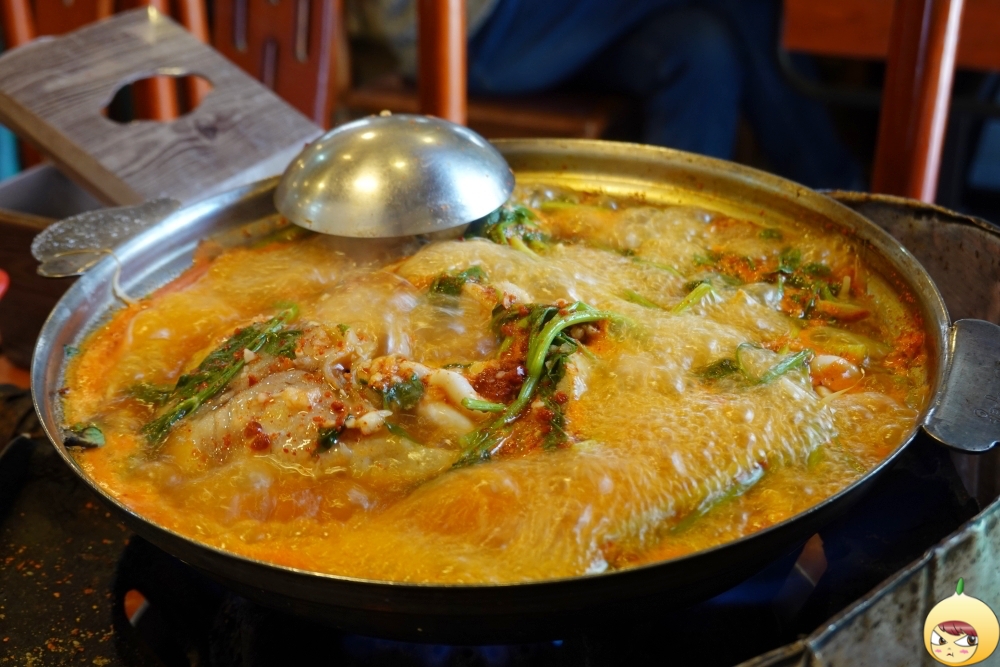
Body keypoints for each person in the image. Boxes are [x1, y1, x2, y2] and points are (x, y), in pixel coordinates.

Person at [355, 0, 862, 189]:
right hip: (465, 26)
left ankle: (671, 249)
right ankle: (839, 200)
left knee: (701, 47)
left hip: (542, 28)